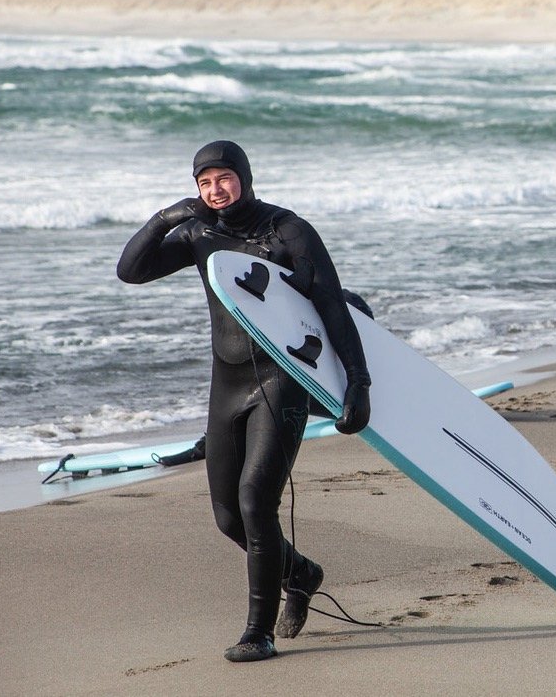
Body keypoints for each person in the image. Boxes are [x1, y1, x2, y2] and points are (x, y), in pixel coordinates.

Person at [117, 140, 371, 662]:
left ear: (245, 177)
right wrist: (164, 218)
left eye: (224, 178)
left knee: (256, 502)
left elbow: (331, 303)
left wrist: (358, 382)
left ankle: (259, 632)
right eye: (204, 182)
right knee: (228, 516)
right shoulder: (198, 233)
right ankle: (301, 574)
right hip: (227, 380)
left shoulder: (288, 230)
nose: (215, 190)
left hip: (282, 377)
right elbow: (131, 271)